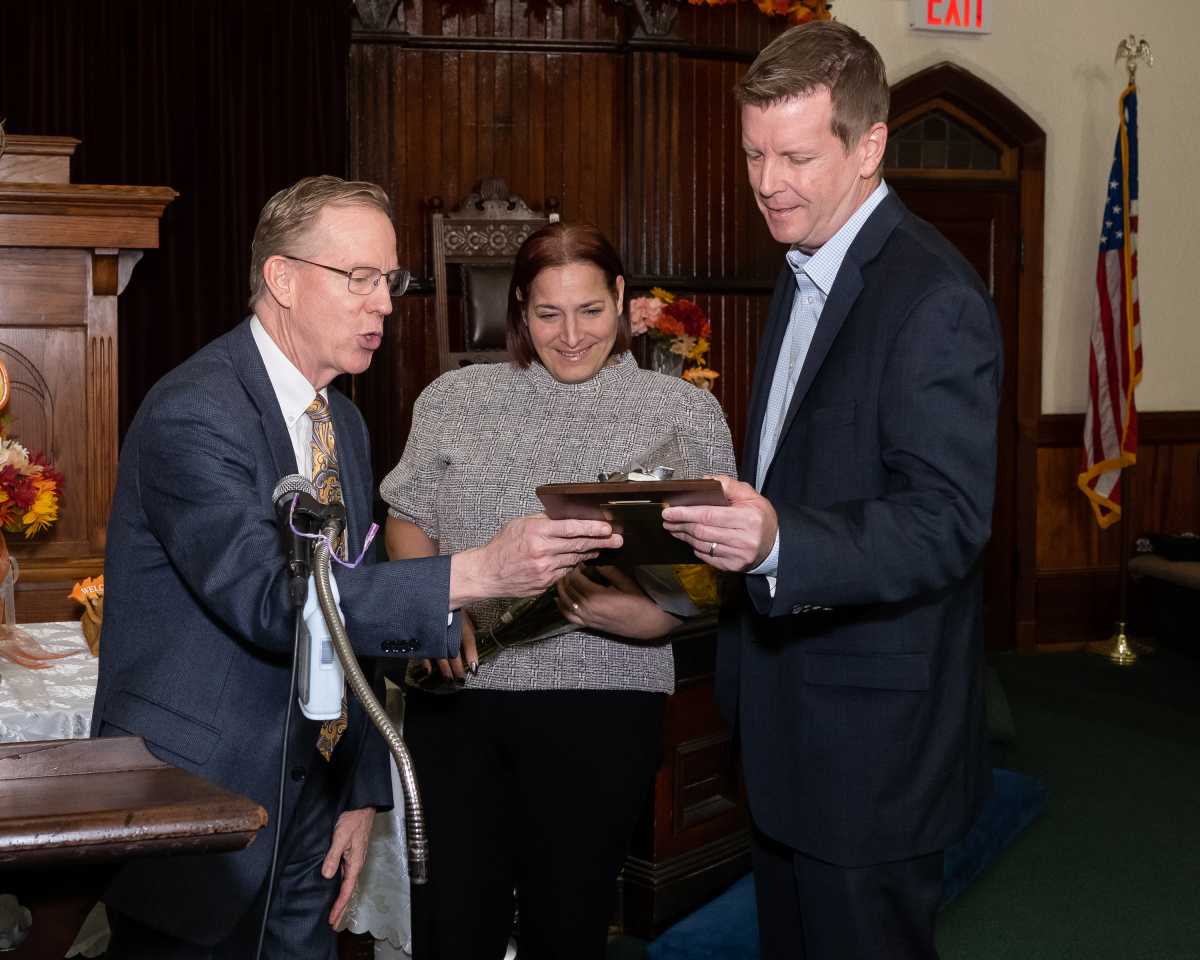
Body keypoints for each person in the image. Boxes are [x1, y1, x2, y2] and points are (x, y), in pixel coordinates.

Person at [91, 176, 621, 960]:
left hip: (312, 800)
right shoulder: (195, 411)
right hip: (199, 798)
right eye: (360, 278)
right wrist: (473, 573)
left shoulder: (340, 419)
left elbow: (353, 610)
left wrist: (359, 788)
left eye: (390, 281)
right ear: (282, 278)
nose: (384, 304)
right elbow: (272, 601)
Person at [662, 21, 1002, 960]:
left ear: (870, 145)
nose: (768, 182)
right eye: (753, 154)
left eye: (797, 157)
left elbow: (946, 521)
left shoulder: (933, 297)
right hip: (786, 720)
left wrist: (779, 542)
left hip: (871, 746)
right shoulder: (807, 260)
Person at [381, 221, 736, 959]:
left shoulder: (684, 412)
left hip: (604, 700)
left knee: (568, 927)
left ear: (620, 297)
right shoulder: (455, 398)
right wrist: (435, 608)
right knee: (452, 927)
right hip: (459, 696)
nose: (571, 336)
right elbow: (407, 519)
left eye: (590, 311)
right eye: (548, 313)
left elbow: (713, 570)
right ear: (519, 308)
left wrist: (655, 620)